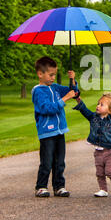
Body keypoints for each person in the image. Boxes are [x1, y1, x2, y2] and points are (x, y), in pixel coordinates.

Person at [32, 56, 79, 198]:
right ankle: (41, 187)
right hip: (47, 132)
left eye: (54, 74)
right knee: (47, 162)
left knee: (60, 162)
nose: (53, 78)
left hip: (60, 130)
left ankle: (59, 186)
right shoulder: (38, 91)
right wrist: (64, 99)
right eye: (50, 75)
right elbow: (47, 108)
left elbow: (73, 91)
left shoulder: (55, 88)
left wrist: (72, 80)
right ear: (40, 74)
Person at [73, 92, 111, 197]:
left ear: (110, 110)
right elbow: (84, 110)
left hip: (110, 152)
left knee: (109, 171)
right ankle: (103, 190)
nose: (98, 106)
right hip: (98, 152)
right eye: (98, 103)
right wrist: (78, 100)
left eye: (102, 104)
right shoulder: (93, 117)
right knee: (99, 173)